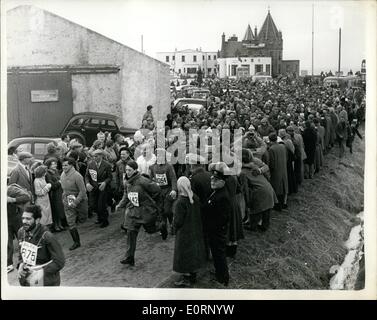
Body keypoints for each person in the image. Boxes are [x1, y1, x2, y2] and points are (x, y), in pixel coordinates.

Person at [116, 160, 167, 267]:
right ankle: (129, 257)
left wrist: (152, 203)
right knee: (130, 232)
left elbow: (157, 190)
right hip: (133, 211)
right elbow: (126, 195)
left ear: (135, 170)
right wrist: (120, 204)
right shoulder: (127, 182)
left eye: (130, 170)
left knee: (150, 230)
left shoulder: (143, 181)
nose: (128, 172)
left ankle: (162, 226)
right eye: (126, 170)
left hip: (145, 211)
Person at [17, 204, 65, 286]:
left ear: (37, 220)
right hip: (28, 280)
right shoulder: (21, 232)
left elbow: (59, 262)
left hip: (47, 282)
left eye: (28, 219)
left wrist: (42, 272)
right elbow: (22, 253)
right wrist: (21, 264)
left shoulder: (47, 236)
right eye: (23, 218)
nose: (24, 221)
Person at [172, 176, 206, 287]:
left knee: (184, 255)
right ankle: (193, 275)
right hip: (195, 229)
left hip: (184, 233)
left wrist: (174, 228)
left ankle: (186, 278)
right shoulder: (194, 197)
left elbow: (177, 221)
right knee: (193, 254)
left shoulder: (180, 202)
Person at [203, 162, 231, 286]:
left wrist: (211, 228)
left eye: (216, 179)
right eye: (212, 178)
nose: (213, 181)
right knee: (216, 254)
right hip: (214, 230)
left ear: (223, 181)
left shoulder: (222, 196)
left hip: (217, 232)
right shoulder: (217, 191)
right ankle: (219, 273)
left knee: (219, 254)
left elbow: (223, 218)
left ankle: (223, 278)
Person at [239, 149, 277, 232]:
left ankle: (253, 226)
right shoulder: (255, 166)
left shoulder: (242, 172)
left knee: (256, 210)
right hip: (268, 187)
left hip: (259, 191)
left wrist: (248, 202)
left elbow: (245, 189)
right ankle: (264, 226)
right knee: (266, 209)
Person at [61, 157, 88, 250]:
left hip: (80, 200)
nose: (63, 167)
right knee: (70, 222)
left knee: (83, 217)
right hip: (67, 201)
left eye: (66, 165)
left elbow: (83, 191)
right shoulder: (62, 174)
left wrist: (76, 202)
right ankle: (76, 242)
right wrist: (64, 199)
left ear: (71, 165)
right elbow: (64, 189)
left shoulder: (77, 176)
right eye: (62, 165)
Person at [149, 149, 178, 234]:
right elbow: (150, 179)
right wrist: (153, 185)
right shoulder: (153, 167)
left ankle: (172, 223)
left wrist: (174, 190)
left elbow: (173, 178)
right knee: (160, 210)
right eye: (157, 155)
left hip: (168, 190)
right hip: (158, 191)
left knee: (167, 210)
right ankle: (163, 227)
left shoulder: (169, 166)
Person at [7, 184, 31, 273]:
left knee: (23, 239)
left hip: (16, 218)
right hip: (5, 221)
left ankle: (28, 261)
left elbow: (26, 197)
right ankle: (8, 264)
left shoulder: (10, 189)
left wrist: (12, 200)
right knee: (6, 242)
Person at [85, 149, 113, 228]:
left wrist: (105, 182)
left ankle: (105, 220)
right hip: (94, 187)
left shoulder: (107, 165)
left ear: (101, 156)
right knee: (93, 205)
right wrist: (87, 183)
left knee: (101, 205)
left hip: (102, 187)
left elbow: (110, 177)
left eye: (96, 156)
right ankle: (99, 217)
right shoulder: (90, 164)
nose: (94, 158)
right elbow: (87, 175)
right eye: (93, 156)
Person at [267, 133, 288, 211]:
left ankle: (277, 205)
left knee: (276, 187)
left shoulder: (271, 149)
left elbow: (271, 163)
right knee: (283, 186)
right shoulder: (283, 146)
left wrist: (270, 171)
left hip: (276, 171)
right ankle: (283, 203)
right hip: (283, 168)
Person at [45, 158, 66, 232]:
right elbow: (52, 185)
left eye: (55, 164)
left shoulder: (56, 171)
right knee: (55, 209)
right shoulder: (47, 174)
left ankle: (60, 224)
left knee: (60, 208)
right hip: (53, 194)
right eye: (53, 164)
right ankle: (56, 225)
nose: (55, 165)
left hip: (59, 192)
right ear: (49, 165)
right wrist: (59, 182)